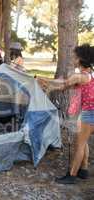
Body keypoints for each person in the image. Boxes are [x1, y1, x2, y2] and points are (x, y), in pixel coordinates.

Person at [37, 44, 94, 184]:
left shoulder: (80, 76)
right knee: (84, 140)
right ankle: (84, 170)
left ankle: (72, 175)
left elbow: (63, 83)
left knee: (79, 144)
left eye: (76, 56)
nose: (74, 58)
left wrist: (43, 79)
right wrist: (49, 84)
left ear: (81, 58)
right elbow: (64, 87)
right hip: (89, 111)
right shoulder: (90, 74)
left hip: (90, 113)